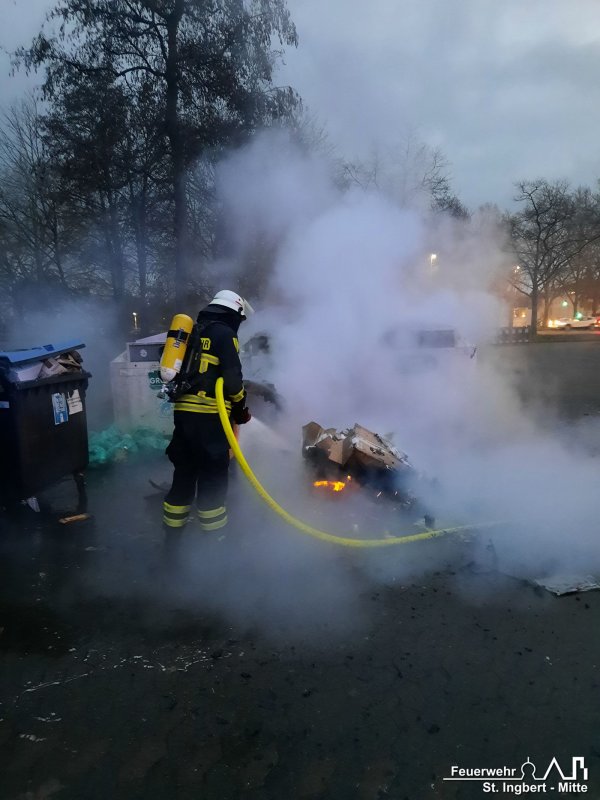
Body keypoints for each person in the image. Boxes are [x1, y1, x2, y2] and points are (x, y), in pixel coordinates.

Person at [162, 290, 253, 533]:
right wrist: (241, 409)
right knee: (213, 477)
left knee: (184, 473)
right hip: (210, 417)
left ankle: (171, 537)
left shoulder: (192, 332)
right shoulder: (225, 335)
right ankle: (215, 543)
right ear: (234, 313)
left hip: (183, 415)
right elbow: (233, 381)